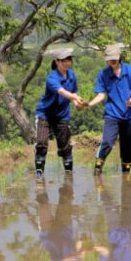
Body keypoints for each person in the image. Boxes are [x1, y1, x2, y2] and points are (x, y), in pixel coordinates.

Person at [87, 44, 131, 175]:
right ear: (106, 59)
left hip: (130, 115)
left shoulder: (130, 70)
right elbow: (101, 95)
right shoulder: (103, 74)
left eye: (115, 58)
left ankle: (126, 176)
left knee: (127, 147)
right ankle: (97, 169)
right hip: (112, 114)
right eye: (110, 59)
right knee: (107, 141)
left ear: (119, 58)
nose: (113, 61)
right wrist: (89, 104)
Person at [34, 47, 87, 178]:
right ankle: (39, 175)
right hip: (45, 114)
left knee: (65, 147)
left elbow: (73, 92)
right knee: (42, 144)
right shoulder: (52, 78)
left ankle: (68, 176)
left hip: (62, 114)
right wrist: (75, 98)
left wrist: (77, 104)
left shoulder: (72, 75)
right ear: (57, 61)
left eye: (69, 60)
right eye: (64, 60)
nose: (67, 63)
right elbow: (62, 92)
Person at [36, 174, 86, 261]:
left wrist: (76, 256)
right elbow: (76, 249)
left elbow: (62, 260)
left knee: (44, 204)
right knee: (66, 199)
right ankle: (67, 177)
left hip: (48, 234)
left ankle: (39, 182)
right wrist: (80, 242)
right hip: (65, 230)